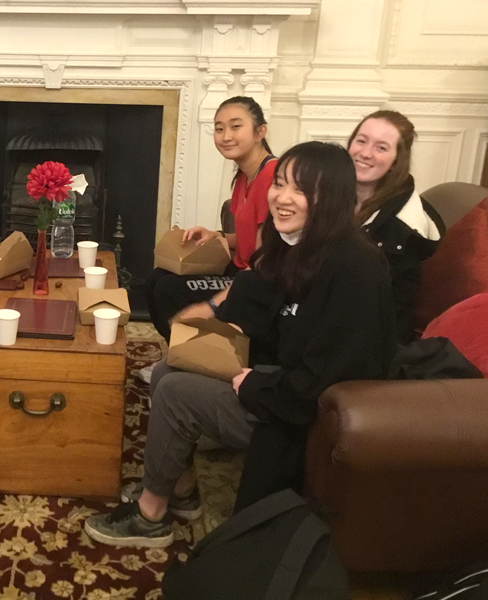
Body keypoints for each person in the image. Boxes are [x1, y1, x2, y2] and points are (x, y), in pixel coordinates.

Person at [84, 141, 397, 548]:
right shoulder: (298, 245)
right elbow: (255, 298)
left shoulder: (356, 270)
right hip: (278, 379)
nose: (283, 198)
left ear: (332, 198)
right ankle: (180, 490)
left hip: (304, 414)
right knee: (168, 369)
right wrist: (211, 320)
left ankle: (149, 517)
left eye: (301, 190)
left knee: (176, 392)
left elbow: (328, 380)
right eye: (280, 184)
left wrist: (254, 385)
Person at [141, 96, 276, 383]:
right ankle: (180, 353)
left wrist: (214, 303)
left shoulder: (271, 177)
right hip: (238, 267)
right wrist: (218, 236)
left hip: (252, 279)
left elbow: (266, 259)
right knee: (155, 278)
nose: (226, 136)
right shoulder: (244, 176)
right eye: (219, 128)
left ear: (260, 131)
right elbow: (250, 236)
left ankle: (195, 359)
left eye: (235, 126)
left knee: (168, 289)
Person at [347, 110, 442, 344]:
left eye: (381, 148)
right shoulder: (338, 192)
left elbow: (373, 304)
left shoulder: (402, 227)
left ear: (396, 161)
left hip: (373, 338)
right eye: (361, 141)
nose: (365, 153)